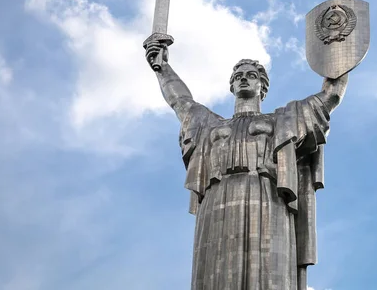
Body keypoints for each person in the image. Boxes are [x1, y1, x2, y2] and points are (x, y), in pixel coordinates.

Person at [145, 40, 348, 290]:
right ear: (231, 85)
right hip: (217, 199)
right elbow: (181, 102)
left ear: (262, 86)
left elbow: (330, 96)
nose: (243, 79)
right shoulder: (209, 124)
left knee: (268, 272)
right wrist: (162, 67)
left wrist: (340, 51)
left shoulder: (282, 120)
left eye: (251, 76)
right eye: (238, 76)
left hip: (267, 197)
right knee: (215, 273)